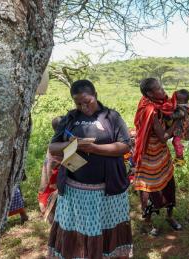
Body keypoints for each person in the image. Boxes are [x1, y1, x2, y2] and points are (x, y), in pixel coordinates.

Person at [48, 79, 133, 258]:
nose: (83, 107)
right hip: (75, 190)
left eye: (87, 102)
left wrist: (95, 149)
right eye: (78, 103)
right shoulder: (70, 118)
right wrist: (73, 145)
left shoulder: (112, 117)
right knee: (79, 228)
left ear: (95, 95)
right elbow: (53, 147)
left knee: (105, 226)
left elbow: (125, 146)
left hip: (108, 190)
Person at [132, 78, 182, 236]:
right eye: (158, 89)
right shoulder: (149, 110)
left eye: (161, 87)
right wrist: (177, 122)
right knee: (148, 190)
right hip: (148, 155)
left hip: (161, 154)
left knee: (168, 186)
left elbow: (169, 109)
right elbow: (163, 136)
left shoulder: (159, 103)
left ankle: (169, 216)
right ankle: (147, 222)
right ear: (149, 93)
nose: (163, 90)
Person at [38, 116, 63, 223]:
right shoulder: (60, 141)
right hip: (55, 173)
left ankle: (49, 213)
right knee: (53, 192)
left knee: (48, 190)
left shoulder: (56, 139)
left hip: (50, 171)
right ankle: (51, 216)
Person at [168, 89, 189, 165]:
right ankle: (178, 157)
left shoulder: (183, 108)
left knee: (176, 141)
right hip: (178, 127)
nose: (176, 100)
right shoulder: (182, 105)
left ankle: (180, 159)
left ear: (183, 101)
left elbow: (175, 116)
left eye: (178, 99)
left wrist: (168, 115)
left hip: (180, 128)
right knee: (175, 141)